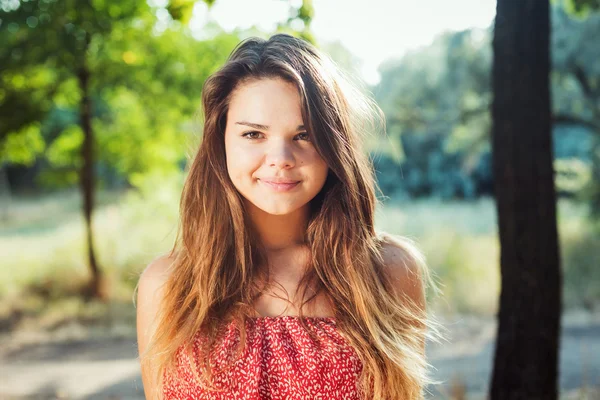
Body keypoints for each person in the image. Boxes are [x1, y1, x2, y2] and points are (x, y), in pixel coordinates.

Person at [136, 33, 443, 400]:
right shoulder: (167, 286)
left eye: (304, 135)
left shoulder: (387, 273)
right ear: (221, 142)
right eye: (253, 134)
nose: (280, 157)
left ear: (334, 146)